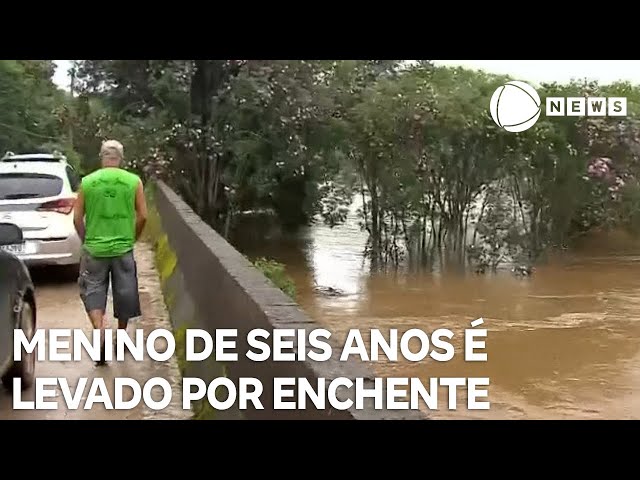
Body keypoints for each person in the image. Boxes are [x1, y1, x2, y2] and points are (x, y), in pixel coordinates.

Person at [73, 140, 148, 365]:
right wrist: (132, 237)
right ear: (121, 159)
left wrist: (86, 240)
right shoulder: (133, 182)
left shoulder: (88, 182)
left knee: (93, 290)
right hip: (123, 248)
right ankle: (121, 335)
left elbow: (77, 218)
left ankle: (100, 329)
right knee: (124, 292)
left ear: (102, 157)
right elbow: (143, 216)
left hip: (95, 249)